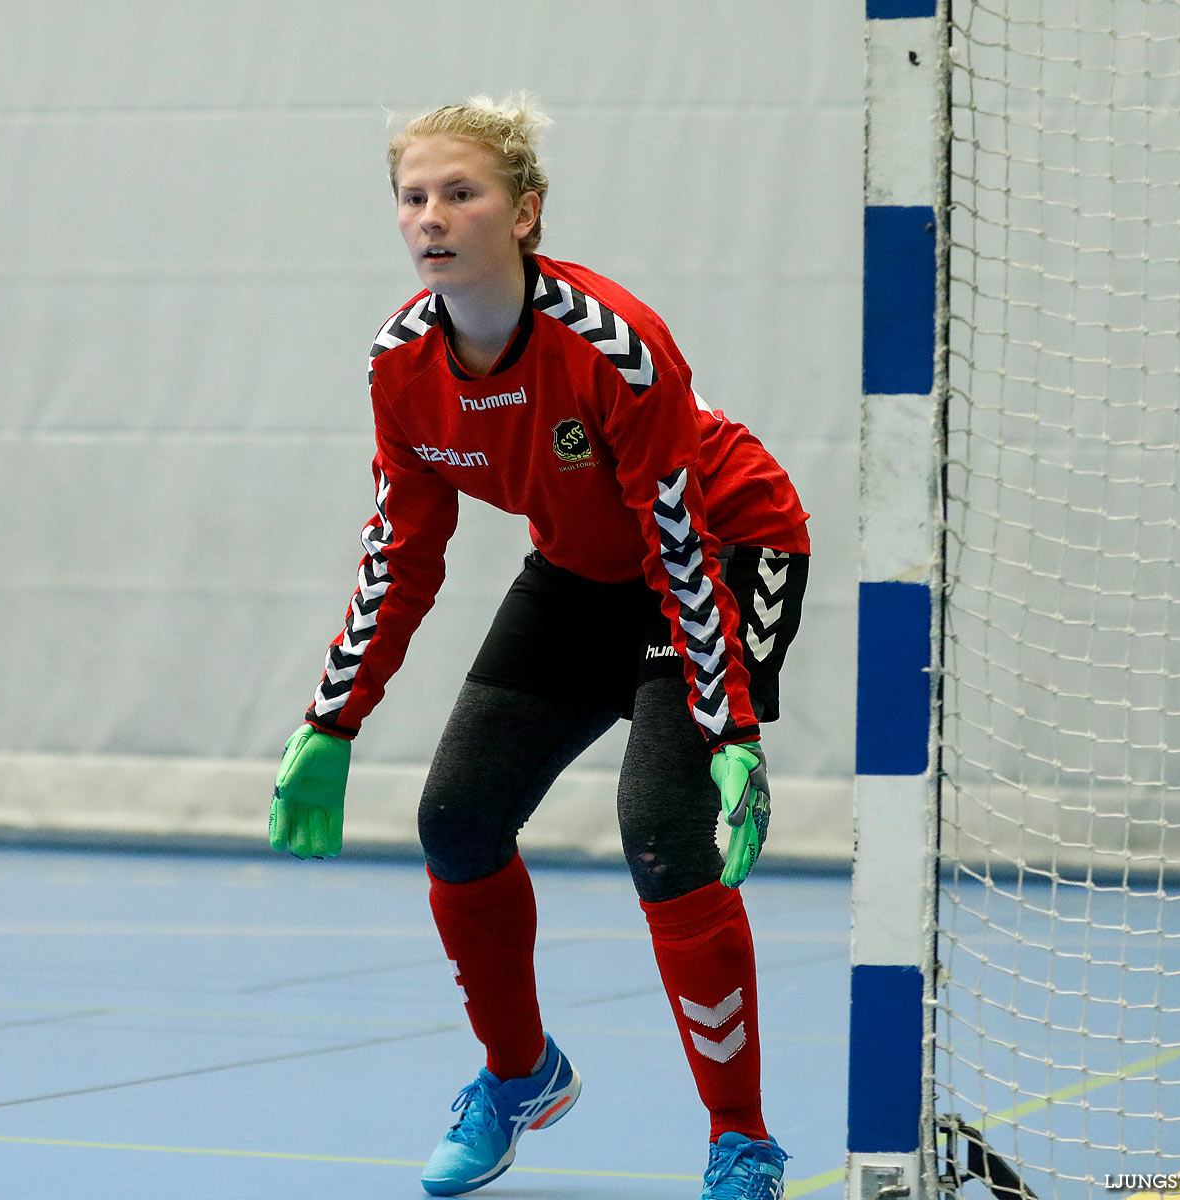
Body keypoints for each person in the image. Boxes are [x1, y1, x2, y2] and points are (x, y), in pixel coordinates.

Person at [268, 94, 811, 1200]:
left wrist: (730, 724)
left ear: (523, 214)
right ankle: (520, 1077)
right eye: (413, 197)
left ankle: (740, 1140)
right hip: (582, 568)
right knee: (456, 822)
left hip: (720, 550)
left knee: (661, 833)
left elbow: (675, 540)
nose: (433, 216)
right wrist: (335, 716)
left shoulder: (615, 347)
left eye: (461, 193)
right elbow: (402, 552)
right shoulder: (400, 366)